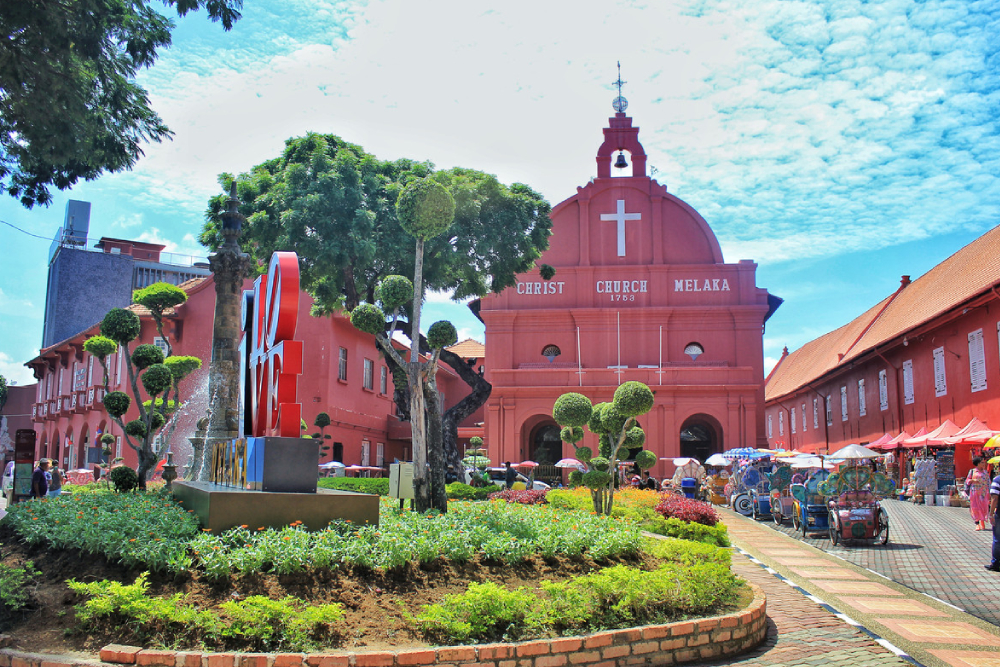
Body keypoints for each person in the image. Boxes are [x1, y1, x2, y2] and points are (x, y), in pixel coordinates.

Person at [966, 457, 991, 530]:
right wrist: (972, 480)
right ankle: (977, 523)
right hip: (975, 492)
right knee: (975, 507)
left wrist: (990, 492)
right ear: (978, 464)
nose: (984, 464)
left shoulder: (985, 472)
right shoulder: (972, 471)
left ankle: (982, 521)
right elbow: (967, 481)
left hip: (984, 493)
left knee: (984, 507)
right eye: (982, 462)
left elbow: (988, 482)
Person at [987, 470, 1000, 572]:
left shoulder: (997, 480)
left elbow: (994, 498)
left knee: (998, 539)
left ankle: (995, 564)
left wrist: (991, 514)